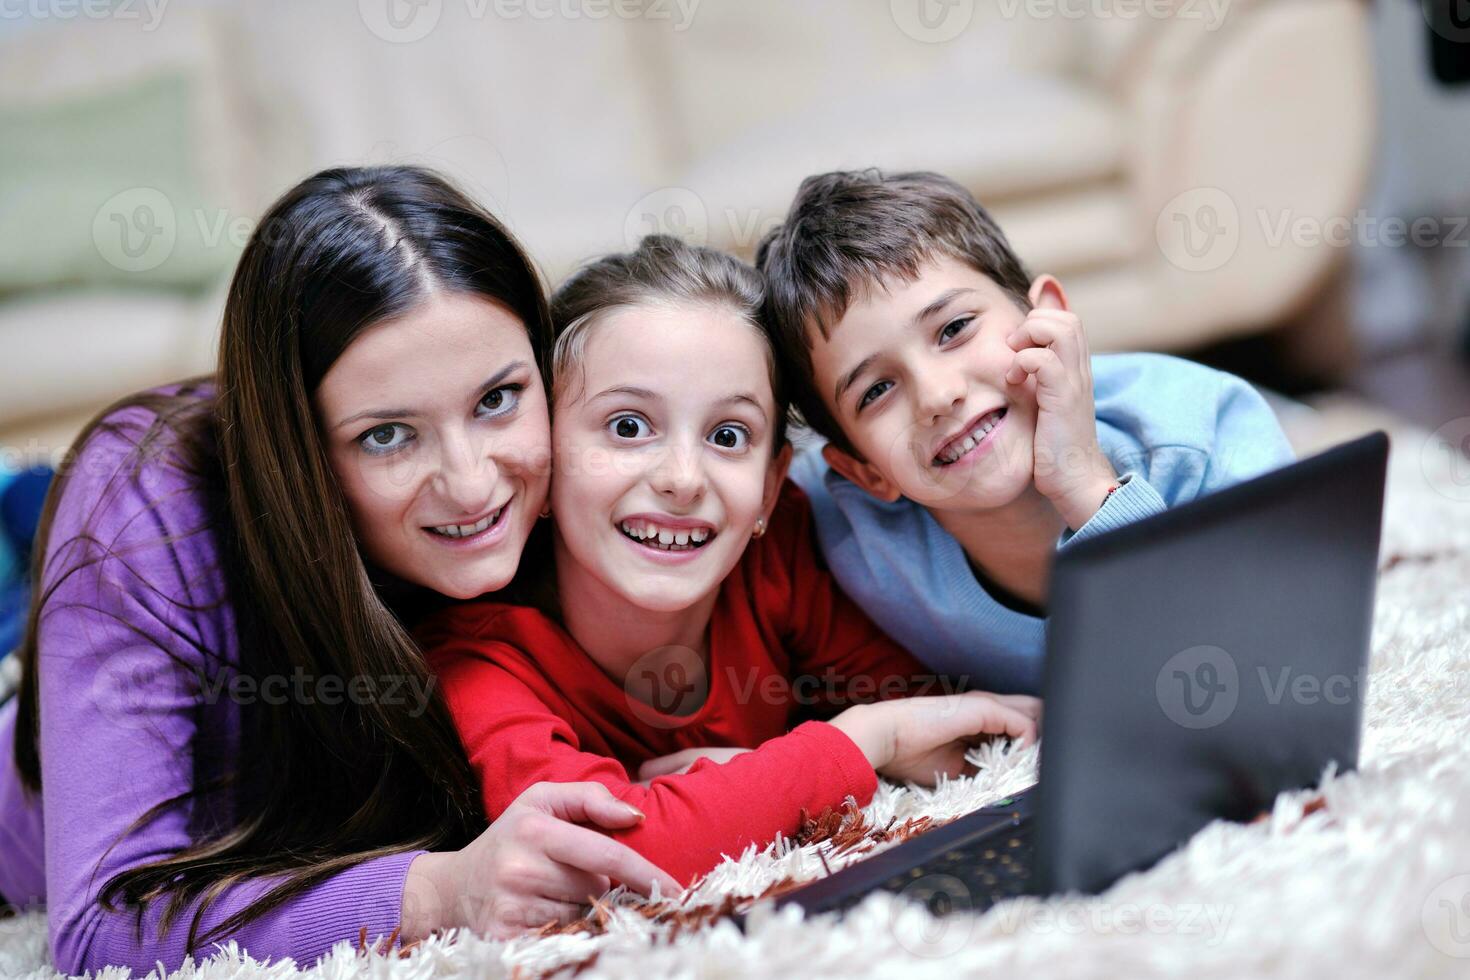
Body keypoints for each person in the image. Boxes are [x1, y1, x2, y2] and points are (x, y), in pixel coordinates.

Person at [0, 166, 679, 975]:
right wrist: (438, 893)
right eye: (388, 436)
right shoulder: (143, 520)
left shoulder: (579, 449)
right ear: (299, 456)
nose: (471, 483)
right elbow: (99, 931)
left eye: (497, 399)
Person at [417, 235, 1041, 886]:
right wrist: (863, 741)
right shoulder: (478, 655)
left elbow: (936, 721)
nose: (683, 479)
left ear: (771, 486)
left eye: (727, 436)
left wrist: (750, 772)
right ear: (542, 454)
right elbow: (599, 853)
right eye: (628, 426)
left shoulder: (777, 557)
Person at [756, 169, 1297, 694]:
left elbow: (1259, 662)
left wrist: (1085, 484)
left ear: (1050, 319)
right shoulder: (850, 533)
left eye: (954, 329)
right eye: (876, 391)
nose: (938, 396)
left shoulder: (1206, 442)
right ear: (865, 471)